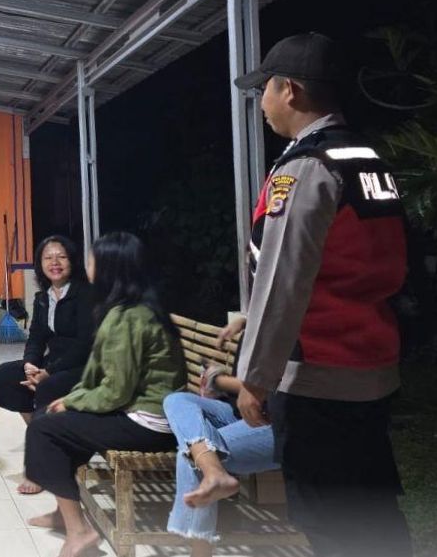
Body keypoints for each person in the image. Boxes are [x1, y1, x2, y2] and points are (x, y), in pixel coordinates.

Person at [232, 32, 412, 557]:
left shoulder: (307, 167)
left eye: (265, 89)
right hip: (370, 362)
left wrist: (255, 379)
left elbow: (283, 281)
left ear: (289, 90)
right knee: (372, 509)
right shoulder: (366, 158)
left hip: (319, 375)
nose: (262, 102)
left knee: (330, 519)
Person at [24, 232, 185, 557]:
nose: (87, 266)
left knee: (43, 429)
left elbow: (115, 392)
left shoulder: (128, 317)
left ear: (110, 267)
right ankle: (64, 514)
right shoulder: (130, 308)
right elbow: (102, 378)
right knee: (50, 418)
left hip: (149, 423)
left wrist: (72, 401)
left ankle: (78, 531)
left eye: (91, 260)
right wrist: (72, 400)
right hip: (141, 411)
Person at [0, 235, 95, 494]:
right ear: (40, 263)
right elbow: (37, 337)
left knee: (47, 387)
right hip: (54, 363)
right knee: (8, 375)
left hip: (83, 366)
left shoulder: (85, 294)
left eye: (61, 257)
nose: (54, 263)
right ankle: (49, 441)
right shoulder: (43, 297)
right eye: (48, 258)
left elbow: (85, 344)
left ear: (72, 261)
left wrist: (48, 372)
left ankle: (39, 465)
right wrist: (30, 364)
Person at [163, 318, 277, 557]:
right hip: (236, 413)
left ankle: (200, 553)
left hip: (273, 422)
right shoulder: (261, 313)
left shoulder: (287, 319)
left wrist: (217, 378)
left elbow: (271, 386)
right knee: (176, 400)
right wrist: (246, 320)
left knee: (196, 452)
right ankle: (214, 473)